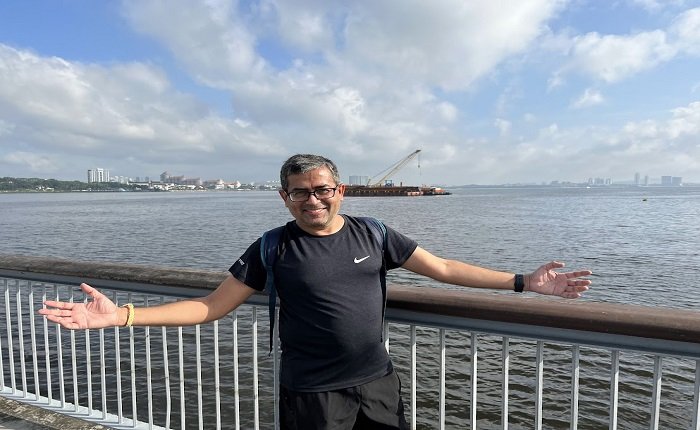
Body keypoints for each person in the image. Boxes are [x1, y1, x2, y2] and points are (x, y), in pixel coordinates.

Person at [40, 154, 592, 430]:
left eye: (322, 190)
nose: (313, 200)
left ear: (339, 190)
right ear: (285, 198)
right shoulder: (272, 247)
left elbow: (443, 268)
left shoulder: (375, 233)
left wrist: (525, 282)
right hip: (312, 393)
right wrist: (122, 316)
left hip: (378, 383)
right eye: (300, 193)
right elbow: (209, 306)